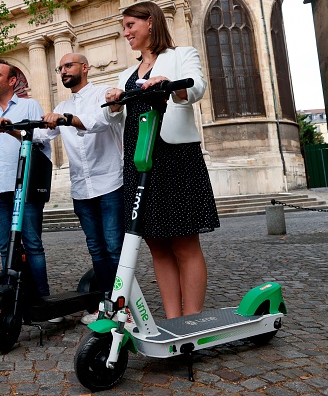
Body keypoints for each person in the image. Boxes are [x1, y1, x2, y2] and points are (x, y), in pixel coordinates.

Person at [104, 2, 220, 319]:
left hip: (174, 154)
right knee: (156, 242)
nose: (125, 32)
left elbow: (196, 88)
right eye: (124, 27)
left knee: (184, 242)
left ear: (151, 23)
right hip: (140, 159)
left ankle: (192, 320)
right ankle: (173, 318)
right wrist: (113, 103)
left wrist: (169, 86)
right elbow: (117, 119)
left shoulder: (182, 55)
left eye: (130, 25)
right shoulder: (127, 73)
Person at [11, 53, 125, 325]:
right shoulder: (62, 104)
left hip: (109, 182)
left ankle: (125, 304)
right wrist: (11, 130)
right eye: (60, 68)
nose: (62, 71)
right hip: (81, 189)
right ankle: (106, 303)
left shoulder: (103, 94)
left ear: (85, 67)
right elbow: (39, 135)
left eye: (68, 66)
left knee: (114, 247)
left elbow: (102, 122)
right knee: (96, 249)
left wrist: (66, 119)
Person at [0, 60, 55, 315]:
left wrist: (13, 131)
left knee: (32, 244)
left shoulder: (29, 106)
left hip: (26, 187)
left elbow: (43, 138)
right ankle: (13, 299)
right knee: (4, 245)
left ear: (12, 81)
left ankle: (42, 301)